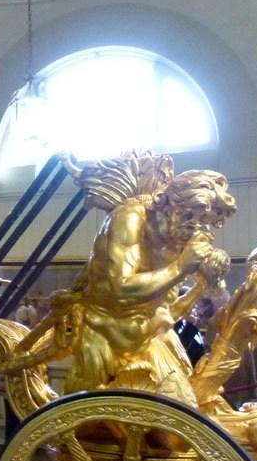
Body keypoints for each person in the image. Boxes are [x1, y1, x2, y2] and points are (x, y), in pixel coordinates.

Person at [63, 159, 237, 406]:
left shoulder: (178, 237)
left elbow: (165, 311)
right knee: (178, 424)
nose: (199, 229)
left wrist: (200, 286)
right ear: (170, 206)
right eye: (193, 219)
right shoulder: (130, 218)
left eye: (205, 222)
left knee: (196, 411)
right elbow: (120, 289)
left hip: (154, 338)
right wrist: (180, 267)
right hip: (110, 340)